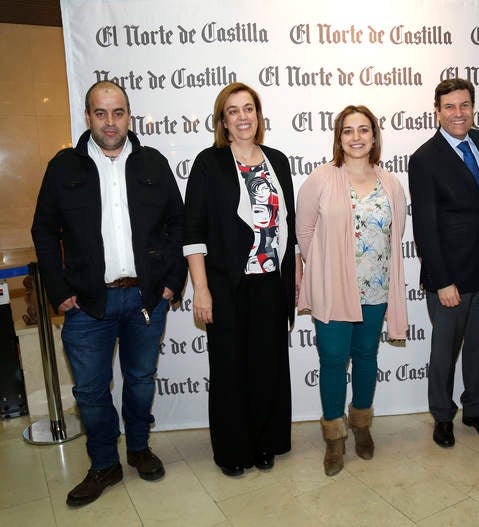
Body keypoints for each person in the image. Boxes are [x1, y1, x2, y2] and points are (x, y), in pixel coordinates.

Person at [31, 80, 186, 506]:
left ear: (129, 116)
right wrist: (60, 292)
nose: (110, 122)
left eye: (118, 112)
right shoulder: (64, 167)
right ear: (87, 117)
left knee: (139, 380)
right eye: (101, 113)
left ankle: (137, 448)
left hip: (144, 300)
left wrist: (172, 282)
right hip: (86, 304)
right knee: (90, 392)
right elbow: (44, 232)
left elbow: (178, 224)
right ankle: (104, 464)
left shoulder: (152, 162)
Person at [183, 82, 298, 477]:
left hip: (270, 282)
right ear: (223, 122)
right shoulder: (208, 163)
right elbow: (193, 233)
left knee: (268, 365)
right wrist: (201, 289)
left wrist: (293, 279)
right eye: (233, 111)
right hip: (226, 285)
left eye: (249, 108)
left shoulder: (278, 161)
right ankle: (234, 450)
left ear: (259, 115)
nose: (243, 116)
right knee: (230, 368)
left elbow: (289, 228)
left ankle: (267, 443)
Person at [297, 105, 407, 476]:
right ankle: (334, 437)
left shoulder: (391, 183)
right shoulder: (321, 179)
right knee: (331, 361)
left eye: (364, 130)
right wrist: (325, 271)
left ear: (374, 137)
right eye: (348, 131)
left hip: (376, 289)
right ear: (338, 137)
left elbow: (396, 234)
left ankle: (360, 426)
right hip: (333, 291)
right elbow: (305, 232)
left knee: (365, 358)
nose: (356, 137)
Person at [408, 78, 479, 448]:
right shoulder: (424, 159)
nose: (458, 113)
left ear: (472, 108)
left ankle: (475, 410)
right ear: (437, 111)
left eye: (464, 105)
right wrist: (442, 280)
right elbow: (425, 226)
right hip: (450, 277)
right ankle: (443, 417)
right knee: (445, 352)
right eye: (450, 107)